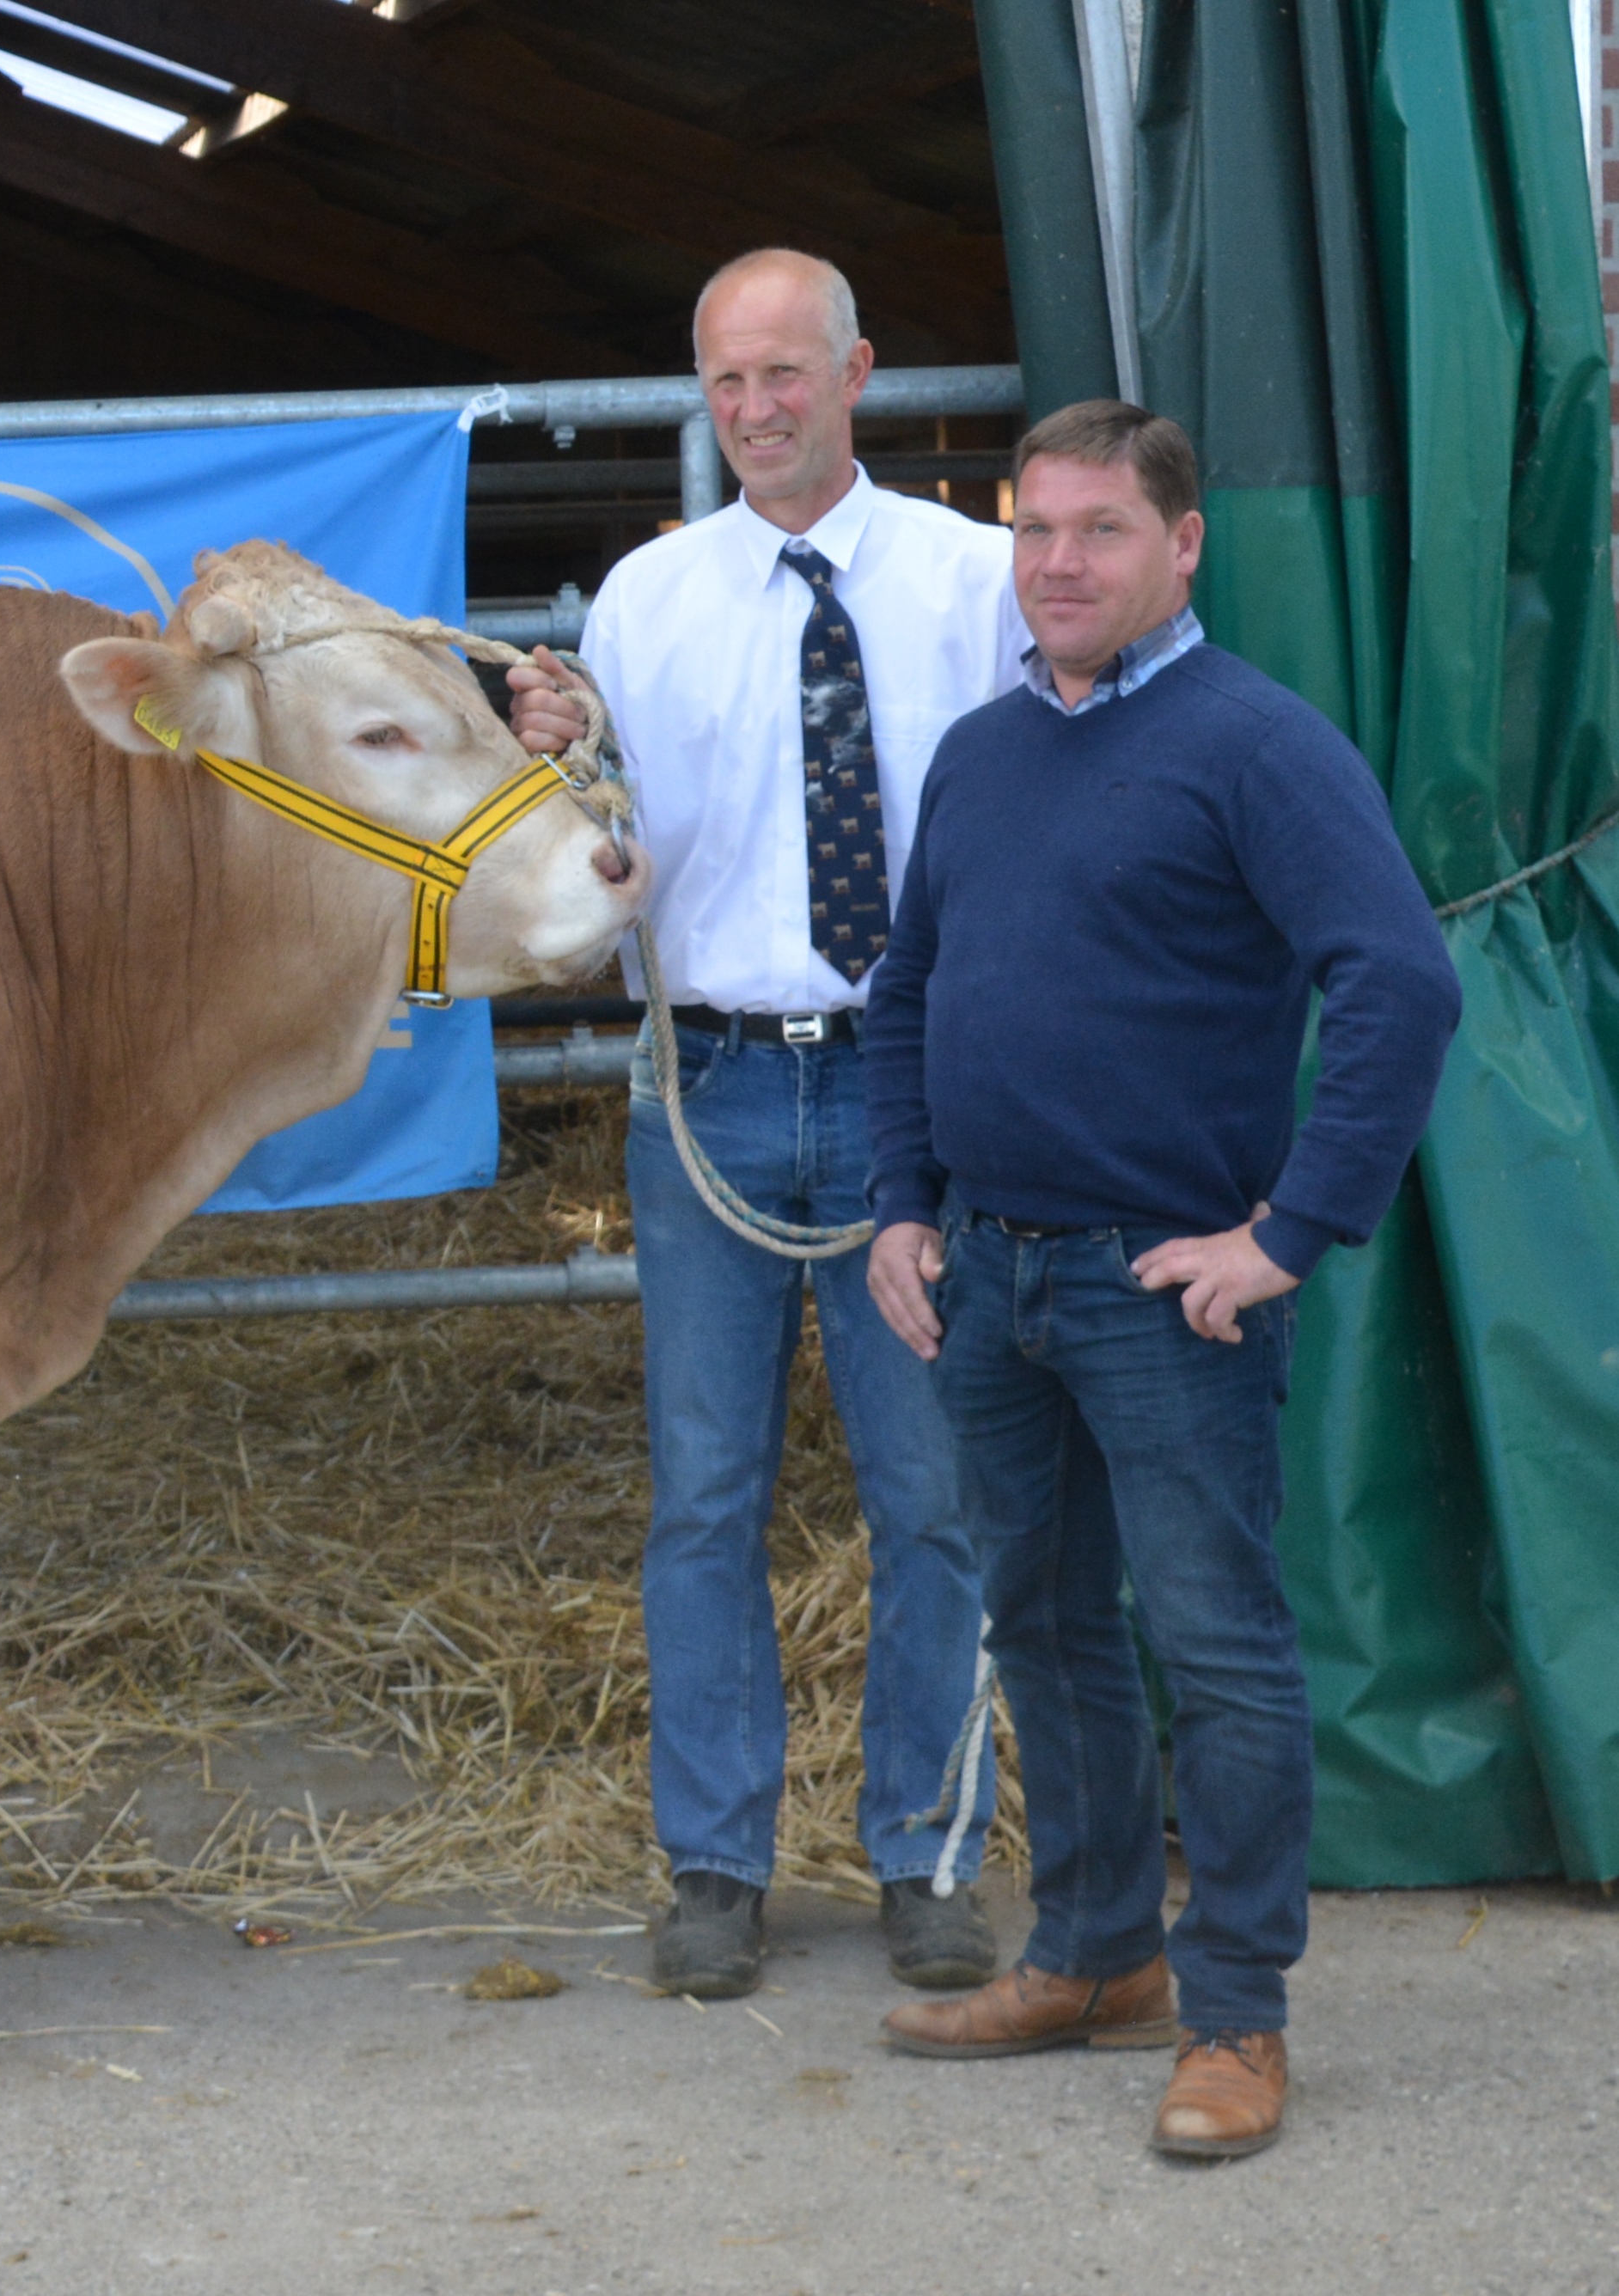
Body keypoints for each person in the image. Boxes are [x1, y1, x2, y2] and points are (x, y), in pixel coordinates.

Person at [861, 400, 1457, 2159]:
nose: (1057, 562)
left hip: (1162, 1288)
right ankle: (1094, 1953)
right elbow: (908, 986)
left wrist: (1286, 1232)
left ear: (1181, 545)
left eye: (1100, 529)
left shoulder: (1250, 743)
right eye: (1033, 528)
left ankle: (1235, 2015)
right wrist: (900, 1204)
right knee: (1045, 1627)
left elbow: (1398, 982)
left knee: (1215, 1648)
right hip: (986, 1272)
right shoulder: (980, 750)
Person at [508, 249, 1021, 1999]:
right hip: (712, 1081)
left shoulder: (973, 581)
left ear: (855, 373)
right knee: (704, 1493)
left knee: (928, 1495)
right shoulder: (643, 600)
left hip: (909, 1081)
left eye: (784, 373)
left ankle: (925, 1859)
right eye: (724, 381)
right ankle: (714, 1866)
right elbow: (613, 843)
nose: (753, 409)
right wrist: (559, 752)